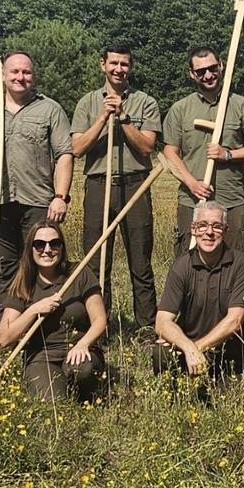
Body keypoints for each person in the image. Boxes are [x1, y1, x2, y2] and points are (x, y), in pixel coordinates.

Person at [0, 52, 73, 295]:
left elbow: (64, 154)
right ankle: (5, 325)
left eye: (26, 72)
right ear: (2, 75)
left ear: (34, 76)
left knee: (43, 264)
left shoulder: (50, 109)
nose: (21, 77)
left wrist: (60, 197)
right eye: (15, 72)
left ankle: (42, 325)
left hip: (39, 203)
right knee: (1, 267)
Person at [70, 44, 162, 328]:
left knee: (141, 260)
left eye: (124, 64)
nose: (118, 69)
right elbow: (77, 148)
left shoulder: (145, 102)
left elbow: (147, 147)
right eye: (114, 63)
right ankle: (99, 325)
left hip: (135, 184)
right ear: (103, 65)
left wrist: (122, 117)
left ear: (130, 68)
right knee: (96, 261)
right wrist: (102, 118)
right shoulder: (87, 102)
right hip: (99, 184)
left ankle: (146, 326)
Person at [162, 46, 244, 252]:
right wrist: (192, 183)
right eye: (200, 71)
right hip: (192, 201)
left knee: (234, 262)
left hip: (230, 200)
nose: (208, 75)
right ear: (192, 74)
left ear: (221, 65)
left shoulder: (241, 105)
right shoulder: (180, 109)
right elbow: (170, 152)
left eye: (212, 68)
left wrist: (228, 154)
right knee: (188, 263)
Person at [0, 222, 108, 402]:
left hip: (79, 349)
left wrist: (83, 344)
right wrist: (34, 309)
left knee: (83, 371)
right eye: (39, 244)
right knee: (51, 404)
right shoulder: (24, 283)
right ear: (30, 249)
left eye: (54, 243)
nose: (47, 250)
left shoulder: (79, 273)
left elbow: (100, 320)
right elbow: (4, 338)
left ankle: (86, 395)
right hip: (41, 356)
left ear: (62, 247)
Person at [153, 201, 244, 382]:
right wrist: (186, 346)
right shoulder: (181, 266)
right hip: (188, 343)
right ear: (193, 229)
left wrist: (196, 348)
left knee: (243, 390)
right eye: (202, 225)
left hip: (227, 347)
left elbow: (235, 321)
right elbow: (161, 322)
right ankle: (174, 397)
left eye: (216, 226)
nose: (209, 232)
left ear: (225, 230)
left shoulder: (242, 264)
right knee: (161, 353)